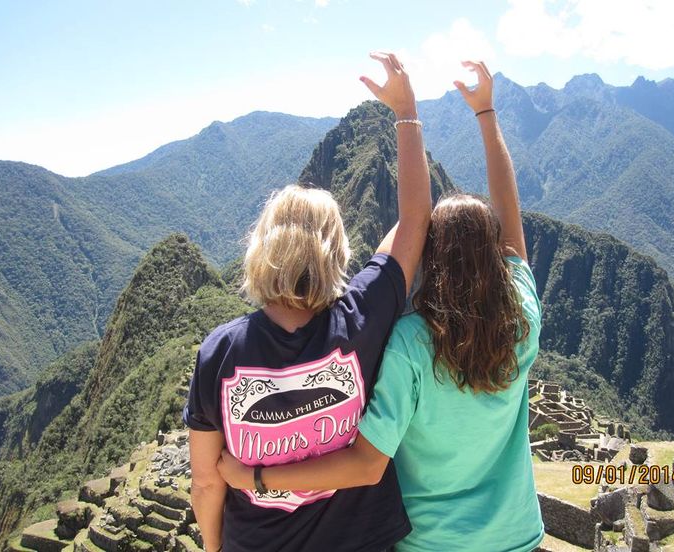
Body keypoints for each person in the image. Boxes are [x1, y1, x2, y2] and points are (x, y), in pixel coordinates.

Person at [216, 60, 545, 552]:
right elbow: (510, 223)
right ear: (499, 260)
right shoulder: (521, 319)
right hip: (515, 536)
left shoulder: (411, 345)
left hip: (429, 543)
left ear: (431, 263)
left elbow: (367, 463)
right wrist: (487, 114)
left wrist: (258, 479)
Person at [182, 51, 432, 552]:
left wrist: (212, 548)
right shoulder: (365, 315)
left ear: (262, 248)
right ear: (335, 249)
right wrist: (406, 114)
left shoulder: (220, 353)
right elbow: (415, 220)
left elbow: (208, 481)